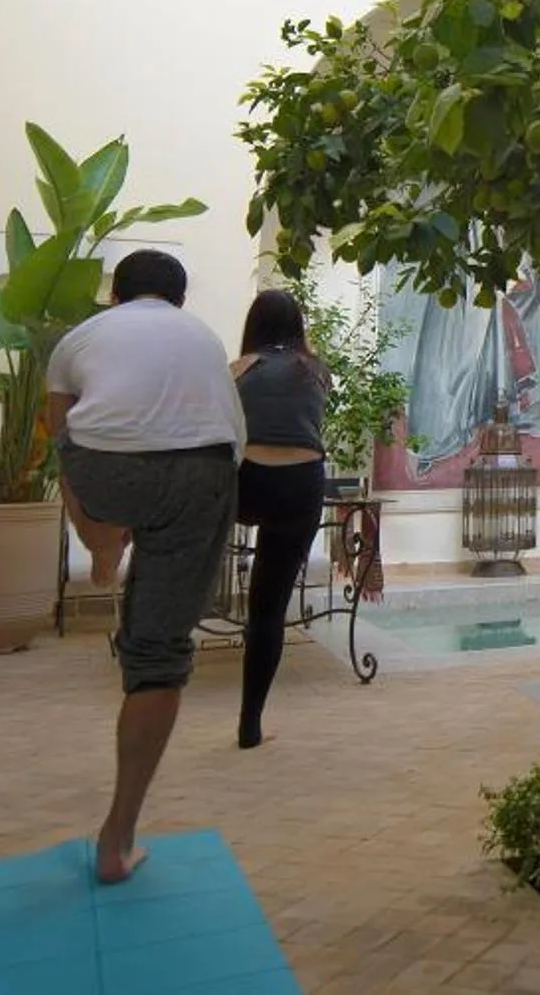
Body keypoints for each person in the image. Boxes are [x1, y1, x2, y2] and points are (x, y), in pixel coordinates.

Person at [46, 250, 245, 883]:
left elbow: (60, 442)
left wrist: (94, 514)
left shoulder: (80, 338)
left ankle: (104, 541)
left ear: (115, 297)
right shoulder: (205, 337)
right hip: (203, 474)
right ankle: (118, 837)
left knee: (78, 457)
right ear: (180, 300)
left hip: (108, 472)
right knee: (158, 657)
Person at [230, 289, 330, 750]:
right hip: (300, 483)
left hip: (245, 482)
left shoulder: (238, 369)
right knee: (268, 609)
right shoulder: (315, 369)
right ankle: (250, 723)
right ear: (297, 325)